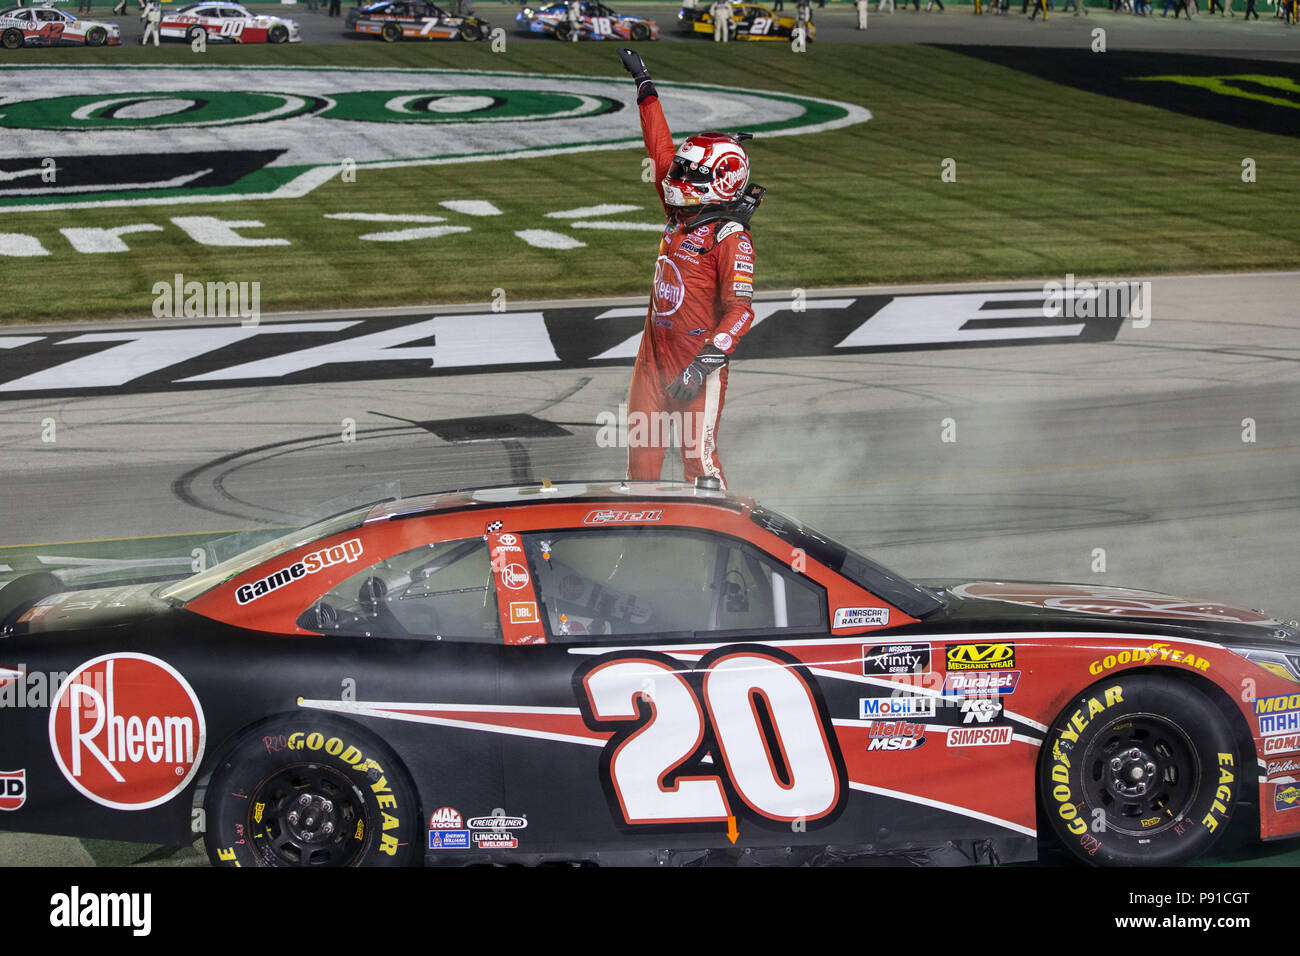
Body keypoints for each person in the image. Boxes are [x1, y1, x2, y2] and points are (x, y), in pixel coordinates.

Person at [616, 48, 762, 489]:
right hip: (652, 359)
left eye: (689, 172)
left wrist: (702, 366)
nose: (676, 178)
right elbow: (659, 146)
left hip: (696, 365)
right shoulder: (680, 212)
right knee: (641, 465)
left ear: (721, 182)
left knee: (700, 465)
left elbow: (742, 311)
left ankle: (722, 547)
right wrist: (645, 86)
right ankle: (641, 539)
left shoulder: (730, 237)